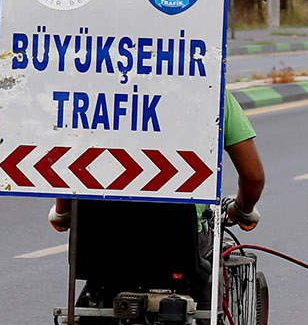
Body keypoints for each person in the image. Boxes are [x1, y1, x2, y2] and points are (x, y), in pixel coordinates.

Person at [48, 93, 265, 232]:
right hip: (181, 244)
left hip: (100, 247)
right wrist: (242, 211)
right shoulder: (214, 94)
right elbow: (253, 178)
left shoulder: (94, 95)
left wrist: (62, 212)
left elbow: (72, 166)